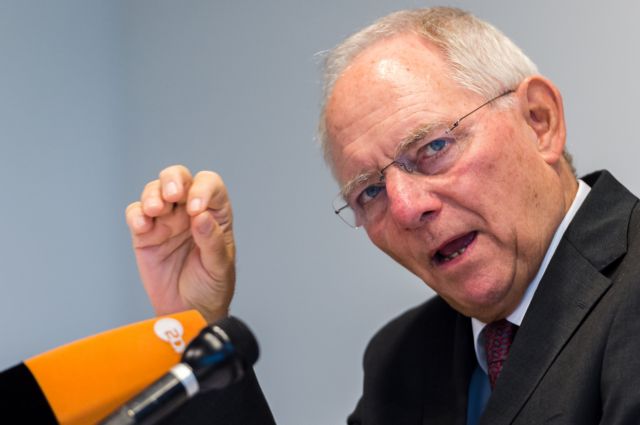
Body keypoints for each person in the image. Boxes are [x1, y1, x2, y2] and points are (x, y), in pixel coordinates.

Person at [126, 7, 640, 425]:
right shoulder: (402, 359)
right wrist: (195, 324)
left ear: (539, 121)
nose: (408, 208)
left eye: (434, 147)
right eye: (369, 191)